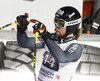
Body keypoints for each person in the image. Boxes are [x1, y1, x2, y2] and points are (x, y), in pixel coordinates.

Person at [16, 6, 83, 81]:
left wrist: (45, 35)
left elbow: (62, 58)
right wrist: (21, 28)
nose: (56, 26)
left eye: (60, 23)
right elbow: (24, 43)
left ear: (71, 26)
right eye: (55, 21)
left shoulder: (76, 46)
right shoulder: (52, 38)